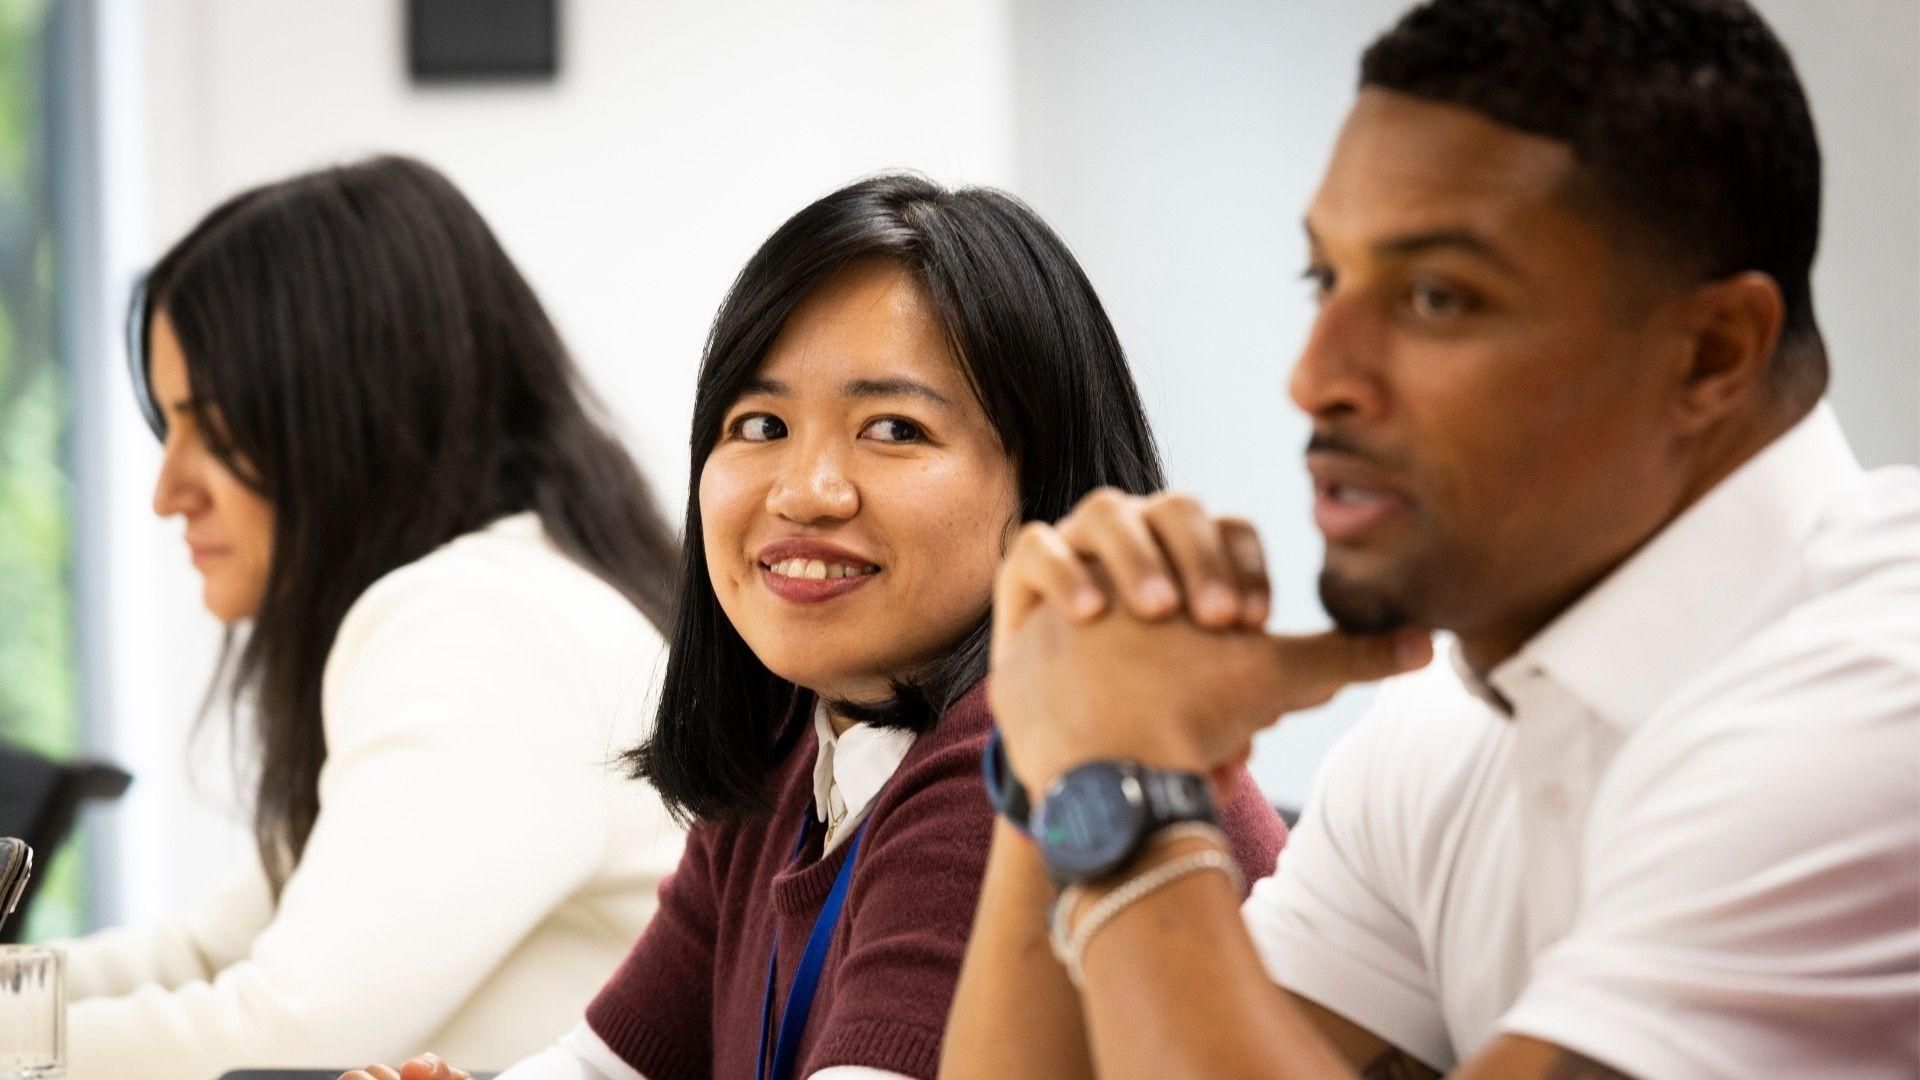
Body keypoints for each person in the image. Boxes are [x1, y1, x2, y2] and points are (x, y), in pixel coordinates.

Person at [951, 1, 1920, 1077]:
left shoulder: (1881, 707)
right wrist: (1055, 741)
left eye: (1434, 296)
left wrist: (1124, 791)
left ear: (1712, 355)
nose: (1315, 375)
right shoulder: (1447, 720)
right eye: (1325, 279)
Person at [344, 175, 1287, 1080]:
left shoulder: (1015, 756)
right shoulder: (802, 745)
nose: (805, 491)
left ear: (1044, 486)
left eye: (893, 430)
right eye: (759, 426)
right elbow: (604, 1065)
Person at [62, 156, 688, 1079]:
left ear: (345, 414)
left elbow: (281, 1038)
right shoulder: (506, 595)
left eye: (215, 427)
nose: (168, 492)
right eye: (168, 427)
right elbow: (207, 955)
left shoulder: (486, 627)